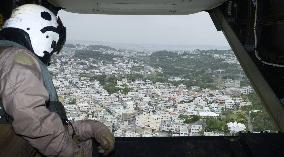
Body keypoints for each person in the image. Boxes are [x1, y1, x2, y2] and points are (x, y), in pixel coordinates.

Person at [0, 4, 115, 157]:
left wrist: (90, 128)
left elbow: (42, 125)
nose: (51, 52)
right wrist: (72, 153)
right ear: (47, 36)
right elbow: (33, 123)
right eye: (54, 46)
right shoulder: (18, 60)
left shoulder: (7, 57)